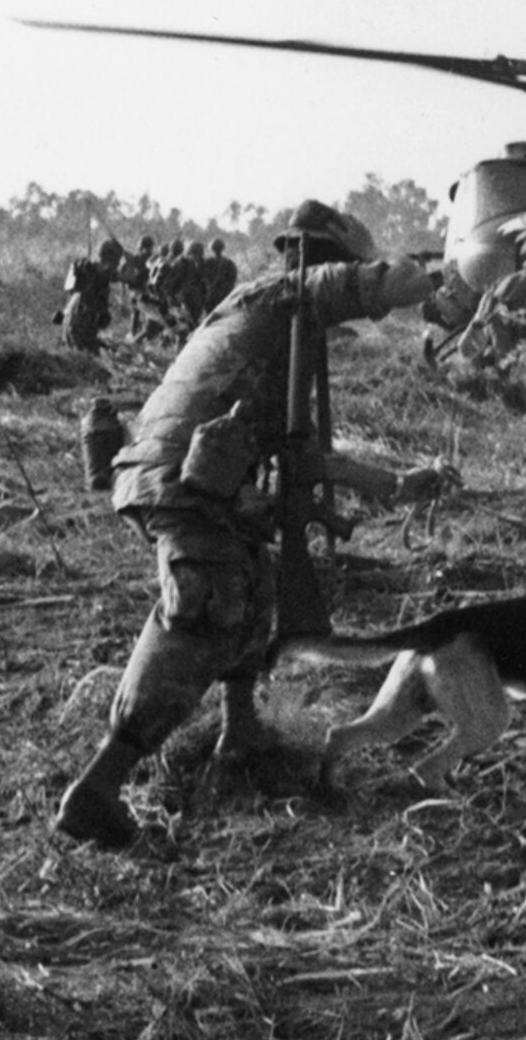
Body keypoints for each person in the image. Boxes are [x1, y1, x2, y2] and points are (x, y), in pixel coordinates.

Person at [54, 201, 446, 847]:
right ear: (326, 258)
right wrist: (439, 278)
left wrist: (397, 485)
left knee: (253, 581)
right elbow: (389, 284)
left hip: (186, 474)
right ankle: (97, 785)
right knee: (208, 607)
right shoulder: (291, 293)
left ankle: (240, 730)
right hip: (181, 477)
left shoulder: (277, 325)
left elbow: (309, 456)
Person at [60, 236, 120, 353]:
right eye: (117, 261)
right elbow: (126, 277)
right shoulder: (102, 273)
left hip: (69, 326)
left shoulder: (86, 270)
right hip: (80, 330)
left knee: (108, 349)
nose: (118, 264)